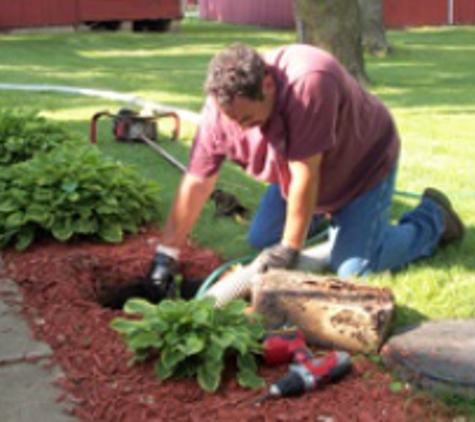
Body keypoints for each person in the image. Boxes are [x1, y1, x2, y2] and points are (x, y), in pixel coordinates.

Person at [147, 43, 465, 296]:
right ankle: (332, 222)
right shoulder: (221, 114)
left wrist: (290, 249)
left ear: (267, 84)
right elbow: (197, 184)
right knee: (262, 239)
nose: (241, 130)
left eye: (248, 120)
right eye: (234, 122)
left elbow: (306, 175)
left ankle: (433, 218)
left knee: (353, 269)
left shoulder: (310, 81)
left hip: (363, 165)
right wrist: (167, 254)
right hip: (300, 172)